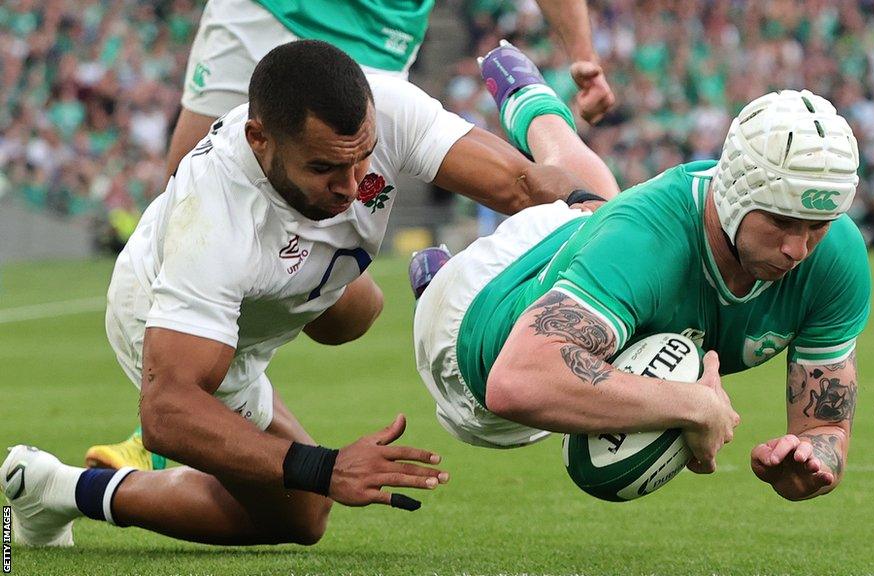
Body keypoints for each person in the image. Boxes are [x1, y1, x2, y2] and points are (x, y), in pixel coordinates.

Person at [0, 40, 593, 548]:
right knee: (304, 515)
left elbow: (523, 184)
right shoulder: (216, 223)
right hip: (175, 320)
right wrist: (326, 467)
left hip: (302, 279)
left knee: (359, 311)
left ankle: (334, 283)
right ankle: (54, 489)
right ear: (259, 139)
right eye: (326, 169)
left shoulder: (384, 106)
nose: (353, 184)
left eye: (363, 158)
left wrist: (594, 228)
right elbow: (166, 410)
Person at [412, 88, 869, 501]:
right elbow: (516, 382)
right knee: (590, 206)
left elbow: (825, 425)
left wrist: (815, 459)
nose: (798, 249)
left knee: (595, 204)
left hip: (586, 251)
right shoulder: (647, 238)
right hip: (471, 336)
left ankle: (526, 95)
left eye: (816, 227)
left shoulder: (836, 255)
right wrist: (694, 405)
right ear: (733, 195)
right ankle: (436, 281)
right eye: (781, 222)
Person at [165, 0, 618, 192]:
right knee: (185, 190)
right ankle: (534, 109)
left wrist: (582, 53)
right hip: (265, 10)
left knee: (342, 290)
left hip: (379, 43)